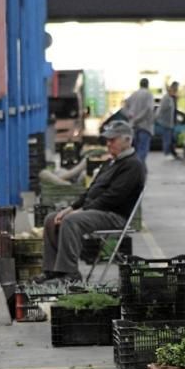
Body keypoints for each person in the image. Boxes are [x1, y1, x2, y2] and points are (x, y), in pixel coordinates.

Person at [39, 120, 145, 283]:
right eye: (107, 140)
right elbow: (91, 191)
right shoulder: (110, 163)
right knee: (52, 219)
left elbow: (113, 197)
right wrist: (71, 207)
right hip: (97, 211)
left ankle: (70, 274)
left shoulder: (133, 166)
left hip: (114, 215)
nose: (108, 144)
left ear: (127, 140)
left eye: (113, 140)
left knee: (71, 221)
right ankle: (52, 271)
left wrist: (82, 211)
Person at [123, 78, 154, 164]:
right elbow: (149, 109)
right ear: (148, 85)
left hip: (133, 126)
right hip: (145, 126)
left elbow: (124, 107)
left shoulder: (134, 94)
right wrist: (139, 118)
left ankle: (138, 170)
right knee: (143, 150)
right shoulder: (149, 94)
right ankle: (138, 170)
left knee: (135, 150)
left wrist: (129, 115)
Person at [156, 81, 179, 158]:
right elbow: (163, 109)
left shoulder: (171, 98)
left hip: (170, 122)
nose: (176, 91)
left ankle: (171, 153)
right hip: (166, 122)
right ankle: (167, 153)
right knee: (167, 138)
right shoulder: (167, 98)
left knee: (171, 138)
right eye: (174, 89)